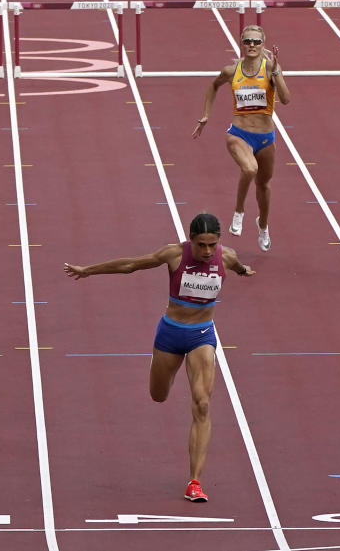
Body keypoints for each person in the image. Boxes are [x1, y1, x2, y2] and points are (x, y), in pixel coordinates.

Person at [64, 213, 254, 502]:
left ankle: (195, 482)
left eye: (211, 245)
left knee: (202, 403)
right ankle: (166, 371)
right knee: (158, 395)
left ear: (219, 242)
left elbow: (237, 265)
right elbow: (131, 265)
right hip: (171, 334)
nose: (206, 251)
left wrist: (242, 270)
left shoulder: (226, 257)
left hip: (202, 335)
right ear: (191, 240)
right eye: (201, 245)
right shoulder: (174, 254)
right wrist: (89, 270)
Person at [193, 25, 291, 252]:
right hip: (239, 133)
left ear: (263, 45)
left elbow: (285, 99)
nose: (252, 45)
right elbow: (213, 86)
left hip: (265, 137)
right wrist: (206, 114)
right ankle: (239, 212)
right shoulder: (231, 71)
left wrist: (276, 72)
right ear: (242, 44)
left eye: (257, 42)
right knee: (249, 169)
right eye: (248, 41)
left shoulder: (270, 69)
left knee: (264, 185)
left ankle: (263, 225)